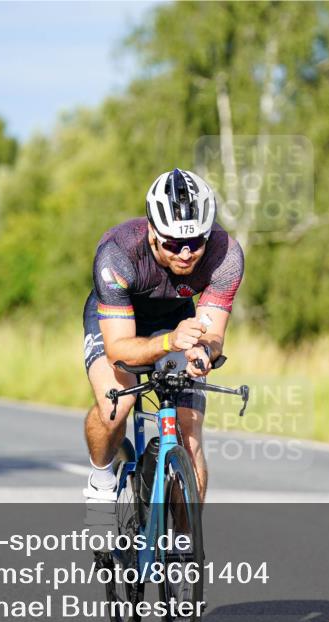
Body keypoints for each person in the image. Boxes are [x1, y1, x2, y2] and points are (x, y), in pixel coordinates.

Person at [83, 169, 244, 523]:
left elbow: (213, 334)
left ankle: (185, 545)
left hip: (176, 319)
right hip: (118, 320)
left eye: (195, 243)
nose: (185, 254)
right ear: (153, 232)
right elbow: (119, 350)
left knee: (189, 433)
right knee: (115, 407)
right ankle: (100, 480)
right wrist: (169, 342)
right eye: (172, 244)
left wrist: (204, 352)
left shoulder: (225, 255)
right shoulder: (118, 253)